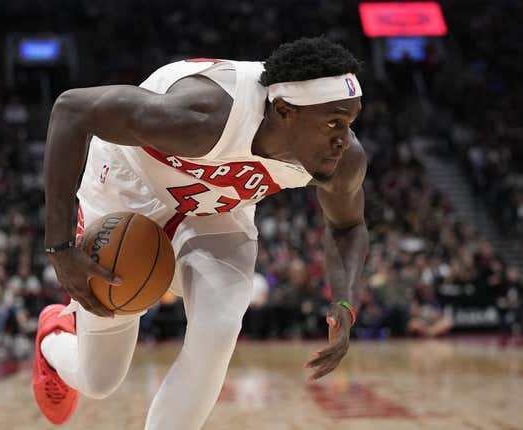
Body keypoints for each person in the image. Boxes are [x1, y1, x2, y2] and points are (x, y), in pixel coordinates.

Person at [34, 36, 369, 428]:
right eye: (333, 122)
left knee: (220, 326)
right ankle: (53, 336)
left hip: (216, 210)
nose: (343, 139)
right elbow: (72, 109)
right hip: (129, 187)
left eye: (350, 121)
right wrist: (59, 248)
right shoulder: (203, 114)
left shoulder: (343, 160)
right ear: (283, 111)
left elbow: (348, 225)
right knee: (100, 379)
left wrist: (344, 303)